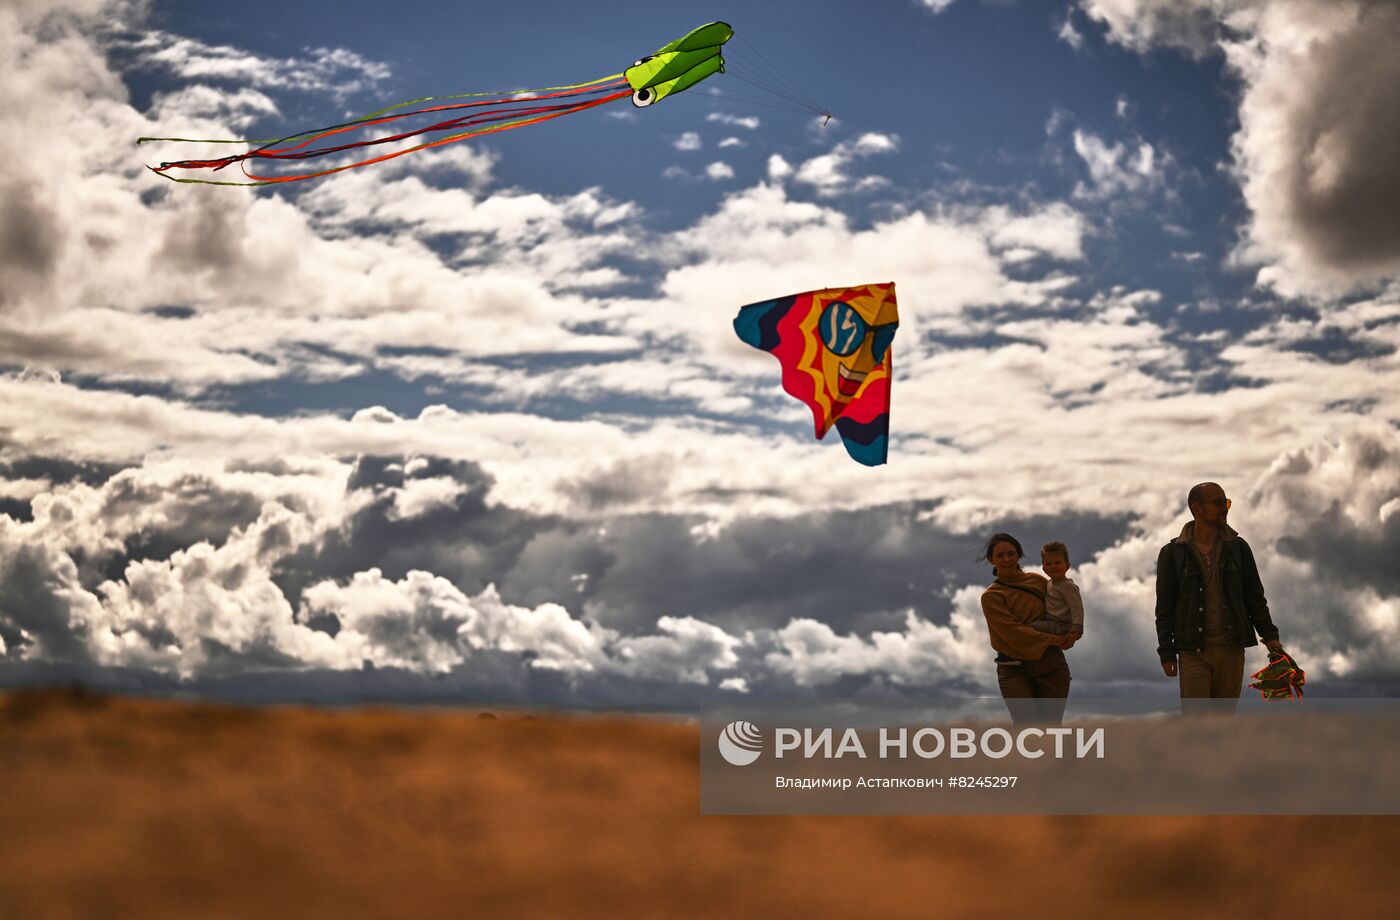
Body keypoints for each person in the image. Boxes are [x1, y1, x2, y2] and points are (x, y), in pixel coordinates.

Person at [1155, 482, 1285, 714]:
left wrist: (1270, 636)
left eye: (1226, 502)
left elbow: (1254, 596)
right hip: (1192, 653)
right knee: (1196, 724)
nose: (1225, 508)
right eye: (1218, 503)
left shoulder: (1239, 548)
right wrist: (1166, 651)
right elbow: (1165, 608)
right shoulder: (1172, 553)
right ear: (1197, 509)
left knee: (1223, 723)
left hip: (1232, 650)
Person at [979, 533, 1076, 724]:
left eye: (1011, 553)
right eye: (1000, 555)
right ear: (991, 559)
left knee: (1051, 728)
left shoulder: (1039, 582)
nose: (1006, 559)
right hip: (1014, 668)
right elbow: (1013, 633)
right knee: (1027, 730)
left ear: (1019, 556)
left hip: (1050, 663)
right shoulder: (991, 596)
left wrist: (1072, 632)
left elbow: (1063, 609)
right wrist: (1056, 640)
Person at [1028, 541, 1084, 641]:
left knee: (1030, 629)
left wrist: (1077, 628)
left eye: (1057, 563)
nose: (1053, 566)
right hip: (1050, 620)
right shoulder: (1049, 583)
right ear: (1044, 569)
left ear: (1067, 566)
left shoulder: (1067, 586)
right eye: (1049, 564)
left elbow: (1076, 607)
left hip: (1061, 625)